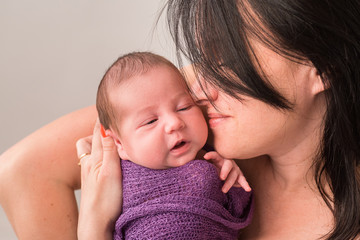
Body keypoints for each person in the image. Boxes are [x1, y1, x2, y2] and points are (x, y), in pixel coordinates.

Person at [0, 0, 359, 239]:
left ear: (322, 68)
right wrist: (95, 222)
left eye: (228, 61)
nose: (198, 90)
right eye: (201, 59)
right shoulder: (188, 117)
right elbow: (22, 171)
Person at [88, 51, 253, 239]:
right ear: (119, 143)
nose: (174, 123)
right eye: (150, 121)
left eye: (184, 107)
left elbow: (234, 213)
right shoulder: (117, 180)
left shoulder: (215, 157)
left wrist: (233, 185)